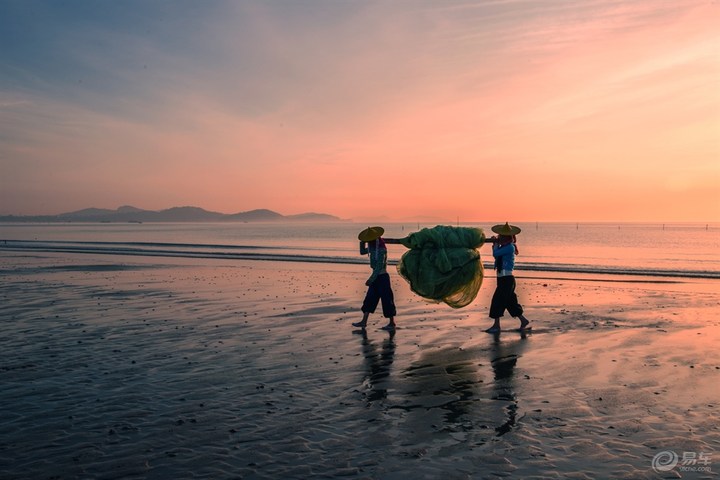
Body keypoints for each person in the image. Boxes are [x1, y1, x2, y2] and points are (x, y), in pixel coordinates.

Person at [485, 222, 531, 333]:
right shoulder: (504, 246)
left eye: (501, 236)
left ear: (506, 237)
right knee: (510, 303)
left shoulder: (509, 247)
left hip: (507, 279)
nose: (499, 237)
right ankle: (523, 321)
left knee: (497, 301)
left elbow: (496, 254)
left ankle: (496, 325)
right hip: (503, 279)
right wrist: (496, 244)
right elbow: (497, 253)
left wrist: (495, 244)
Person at [353, 226, 399, 332]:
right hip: (376, 278)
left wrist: (371, 279)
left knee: (387, 300)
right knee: (369, 299)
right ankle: (364, 321)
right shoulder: (373, 247)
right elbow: (362, 252)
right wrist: (362, 242)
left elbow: (379, 266)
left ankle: (392, 323)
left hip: (382, 277)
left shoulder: (382, 249)